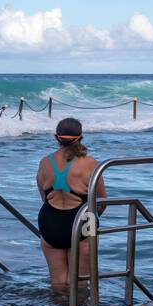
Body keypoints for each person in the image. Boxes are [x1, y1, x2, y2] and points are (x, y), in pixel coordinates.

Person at [36, 117, 106, 288]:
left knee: (58, 281)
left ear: (56, 137)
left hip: (50, 220)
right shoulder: (90, 164)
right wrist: (92, 218)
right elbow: (102, 201)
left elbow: (43, 198)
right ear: (81, 137)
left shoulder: (45, 162)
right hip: (81, 219)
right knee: (80, 282)